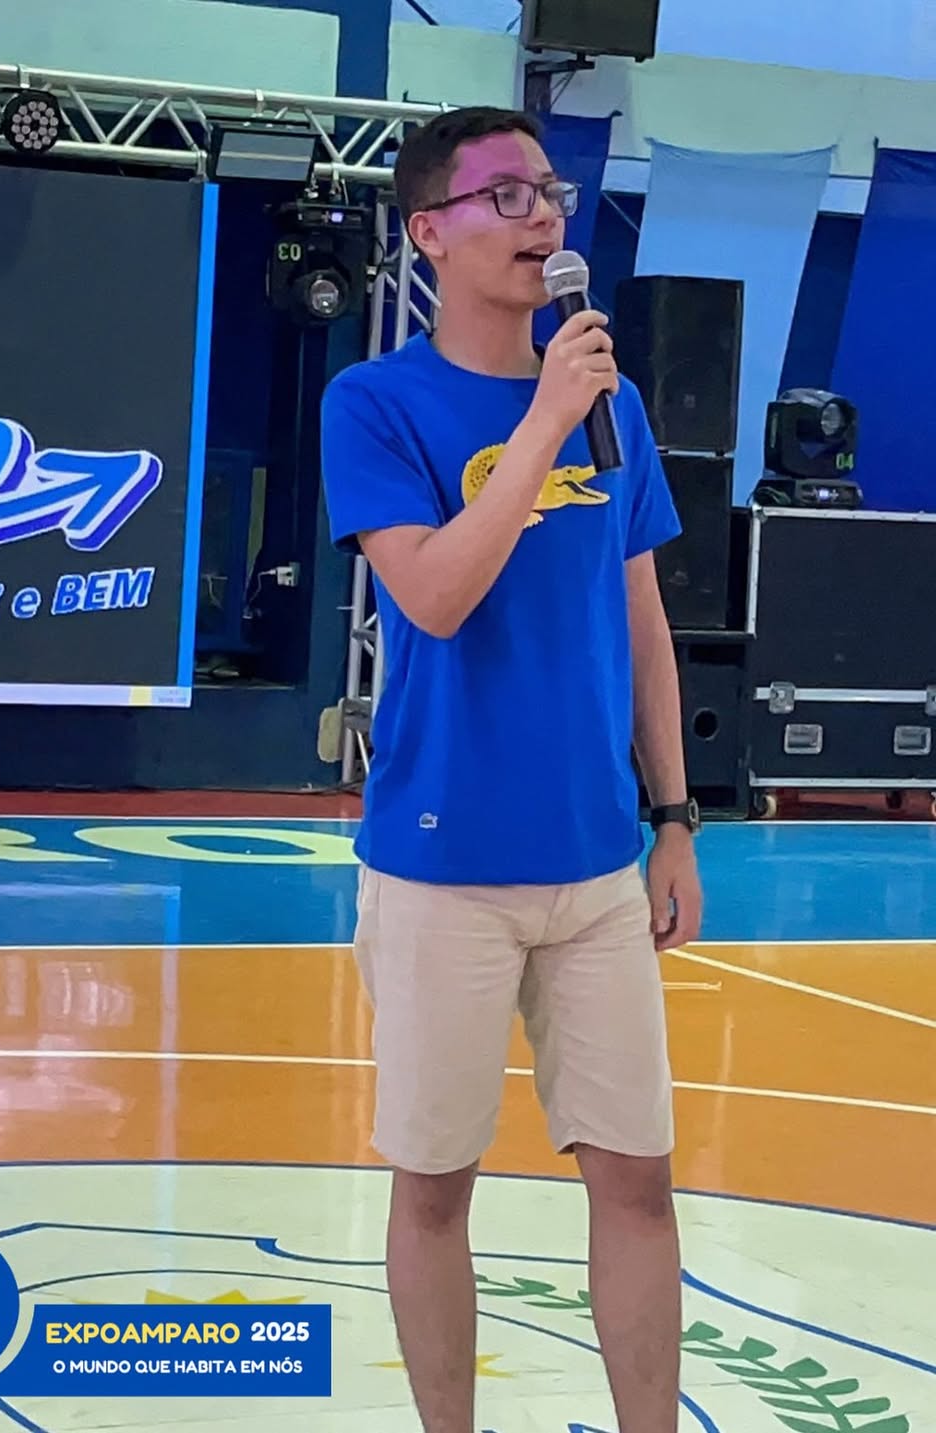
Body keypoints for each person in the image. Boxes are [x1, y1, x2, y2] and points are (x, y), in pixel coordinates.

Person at [319, 105, 703, 1433]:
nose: (543, 215)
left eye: (550, 191)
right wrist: (543, 420)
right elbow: (431, 596)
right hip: (444, 867)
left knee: (639, 1180)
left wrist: (673, 814)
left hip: (597, 864)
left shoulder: (614, 403)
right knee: (435, 1186)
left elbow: (640, 619)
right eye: (506, 195)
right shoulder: (375, 403)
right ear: (428, 232)